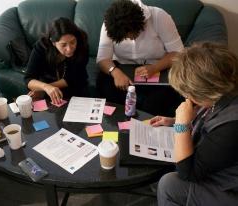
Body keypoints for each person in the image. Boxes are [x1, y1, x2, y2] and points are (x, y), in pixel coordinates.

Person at [150, 43, 238, 205]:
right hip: (221, 165)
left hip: (231, 190)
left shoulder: (231, 127)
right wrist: (174, 121)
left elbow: (187, 172)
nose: (187, 97)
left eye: (189, 93)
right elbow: (209, 117)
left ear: (208, 91)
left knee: (170, 185)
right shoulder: (227, 90)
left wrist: (182, 125)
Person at [96, 0, 184, 116]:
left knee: (156, 102)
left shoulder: (159, 16)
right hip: (122, 69)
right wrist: (115, 72)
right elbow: (102, 58)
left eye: (131, 34)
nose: (130, 39)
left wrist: (155, 67)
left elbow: (178, 53)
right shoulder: (111, 24)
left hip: (158, 68)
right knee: (104, 84)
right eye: (124, 37)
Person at [24, 17, 89, 104]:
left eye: (73, 42)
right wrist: (45, 87)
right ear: (53, 42)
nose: (69, 49)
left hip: (76, 85)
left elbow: (73, 78)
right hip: (49, 87)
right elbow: (28, 79)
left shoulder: (82, 43)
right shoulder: (42, 47)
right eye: (63, 45)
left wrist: (45, 88)